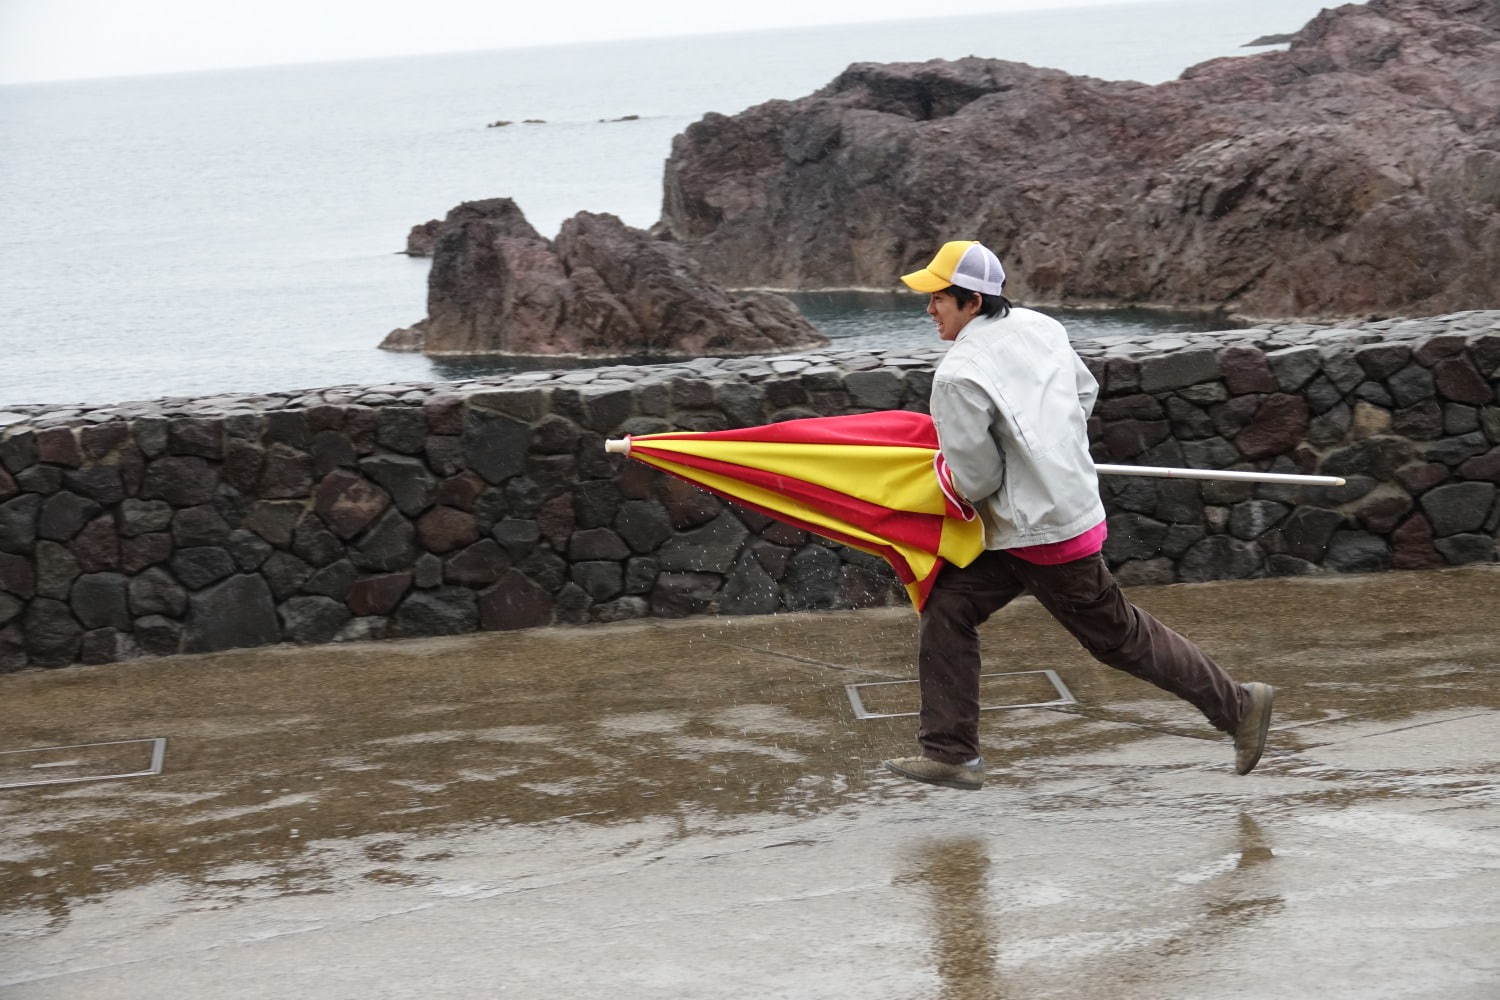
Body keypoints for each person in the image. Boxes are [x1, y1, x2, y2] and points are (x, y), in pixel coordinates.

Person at [881, 240, 1273, 791]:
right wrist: (1050, 451)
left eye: (937, 299)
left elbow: (977, 480)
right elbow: (1082, 393)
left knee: (1119, 639)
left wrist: (938, 479)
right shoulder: (1042, 327)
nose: (928, 310)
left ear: (971, 300)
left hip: (1038, 534)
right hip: (1042, 517)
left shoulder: (957, 375)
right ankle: (950, 753)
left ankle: (1239, 706)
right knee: (948, 608)